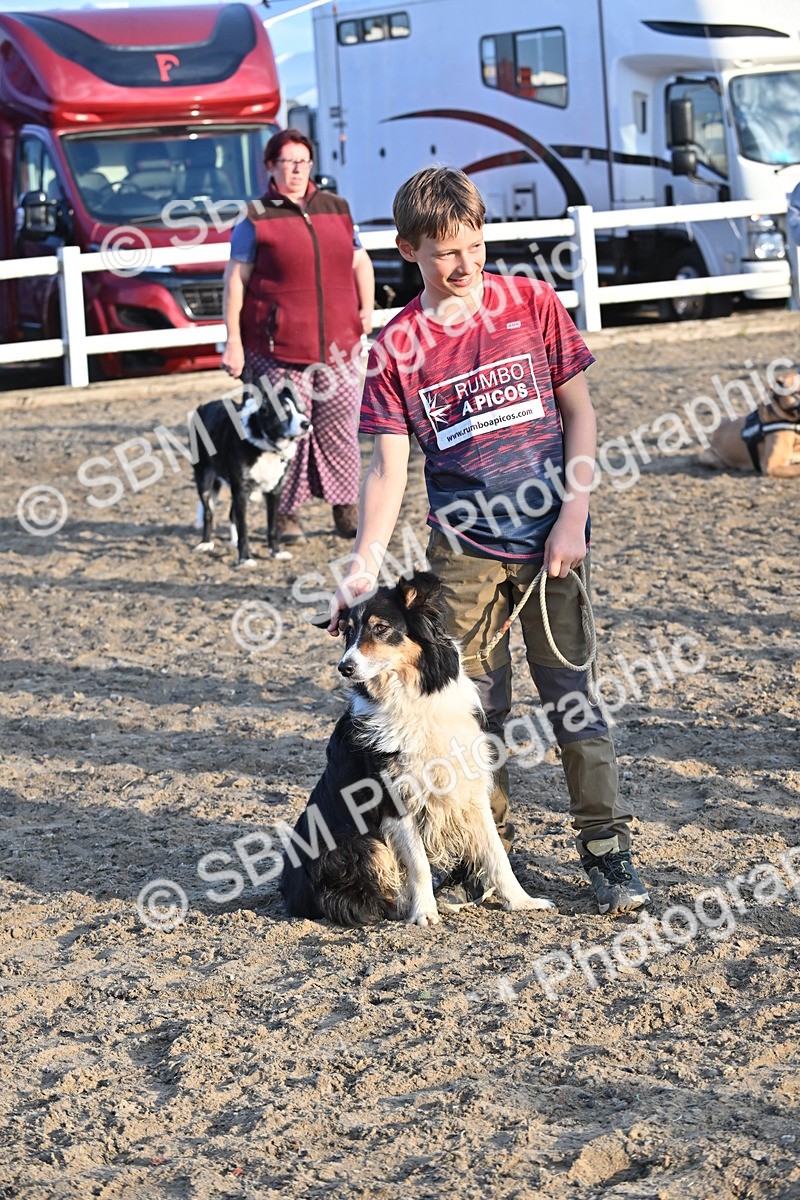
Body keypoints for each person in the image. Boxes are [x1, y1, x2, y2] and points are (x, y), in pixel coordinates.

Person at [327, 166, 649, 917]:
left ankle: (607, 851)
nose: (465, 263)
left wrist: (574, 513)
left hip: (553, 543)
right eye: (444, 252)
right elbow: (387, 467)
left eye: (473, 244)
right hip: (462, 555)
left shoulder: (532, 302)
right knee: (477, 708)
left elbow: (581, 415)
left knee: (574, 698)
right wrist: (363, 561)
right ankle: (481, 850)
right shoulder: (397, 346)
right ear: (408, 249)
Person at [221, 128, 374, 541]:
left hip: (339, 344)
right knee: (283, 429)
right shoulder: (255, 218)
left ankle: (345, 507)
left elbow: (360, 262)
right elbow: (236, 281)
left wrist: (366, 308)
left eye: (302, 161)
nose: (295, 169)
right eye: (287, 162)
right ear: (270, 166)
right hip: (276, 349)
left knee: (341, 424)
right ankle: (286, 514)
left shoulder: (337, 208)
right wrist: (233, 340)